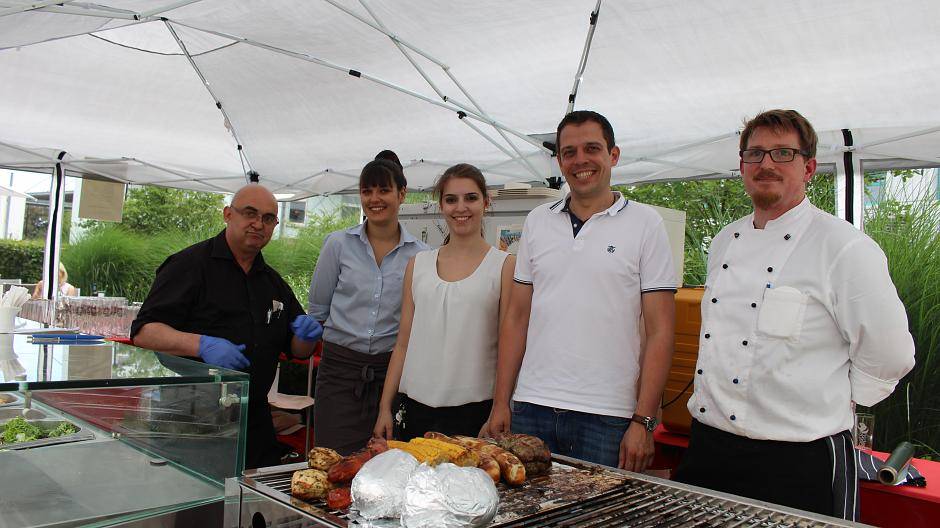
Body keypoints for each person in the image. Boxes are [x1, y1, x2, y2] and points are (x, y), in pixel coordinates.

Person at [674, 109, 916, 520]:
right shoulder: (723, 241)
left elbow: (891, 354)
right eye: (755, 154)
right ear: (742, 166)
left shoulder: (844, 247)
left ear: (808, 168)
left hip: (799, 460)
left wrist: (830, 397)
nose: (766, 164)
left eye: (782, 153)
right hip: (710, 448)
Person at [481, 110, 677, 471]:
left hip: (609, 416)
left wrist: (644, 420)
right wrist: (501, 402)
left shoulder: (646, 224)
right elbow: (516, 317)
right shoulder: (538, 221)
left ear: (613, 156)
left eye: (592, 148)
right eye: (569, 152)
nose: (580, 160)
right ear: (559, 160)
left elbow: (661, 330)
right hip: (531, 406)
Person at [131, 184, 323, 469]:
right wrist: (201, 344)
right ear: (228, 215)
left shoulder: (272, 283)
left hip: (254, 421)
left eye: (268, 218)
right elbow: (144, 332)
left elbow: (297, 349)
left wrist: (307, 336)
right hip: (193, 422)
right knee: (198, 507)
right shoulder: (189, 266)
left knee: (254, 506)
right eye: (250, 213)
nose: (258, 224)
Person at [373, 163, 514, 441]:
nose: (461, 207)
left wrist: (501, 406)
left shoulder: (505, 266)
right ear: (441, 205)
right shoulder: (418, 264)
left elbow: (508, 346)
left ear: (486, 202)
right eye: (451, 199)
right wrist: (384, 408)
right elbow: (402, 342)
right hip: (414, 409)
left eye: (470, 198)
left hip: (475, 413)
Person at [308, 159, 428, 455]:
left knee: (384, 468)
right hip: (338, 374)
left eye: (383, 190)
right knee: (333, 462)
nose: (374, 199)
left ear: (402, 194)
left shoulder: (421, 255)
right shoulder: (338, 244)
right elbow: (318, 311)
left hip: (390, 376)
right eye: (366, 191)